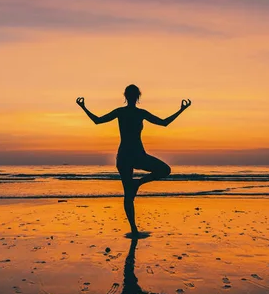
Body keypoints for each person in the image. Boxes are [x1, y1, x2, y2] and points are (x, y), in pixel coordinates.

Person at [76, 84, 191, 236]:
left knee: (130, 193)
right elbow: (164, 123)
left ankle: (134, 224)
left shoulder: (122, 112)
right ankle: (137, 195)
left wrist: (83, 107)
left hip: (126, 156)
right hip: (134, 155)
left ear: (125, 96)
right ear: (137, 97)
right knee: (163, 171)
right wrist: (182, 110)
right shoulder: (137, 113)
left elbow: (97, 120)